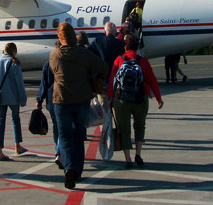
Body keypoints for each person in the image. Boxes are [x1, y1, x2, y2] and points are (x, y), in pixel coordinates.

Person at [49, 22, 108, 189]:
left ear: (60, 37)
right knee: (78, 135)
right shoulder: (83, 53)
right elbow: (103, 66)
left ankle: (68, 168)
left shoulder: (55, 55)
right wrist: (95, 78)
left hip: (61, 100)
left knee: (65, 136)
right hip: (81, 99)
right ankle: (78, 170)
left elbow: (53, 72)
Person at [109, 34, 163, 168]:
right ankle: (138, 154)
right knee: (140, 126)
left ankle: (127, 159)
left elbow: (112, 81)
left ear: (125, 47)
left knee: (124, 129)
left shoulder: (119, 60)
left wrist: (111, 97)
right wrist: (158, 98)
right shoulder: (143, 61)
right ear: (137, 47)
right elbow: (152, 80)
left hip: (122, 99)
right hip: (140, 97)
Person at [0, 42, 28, 161]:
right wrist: (23, 98)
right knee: (15, 120)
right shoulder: (15, 63)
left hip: (0, 97)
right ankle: (17, 145)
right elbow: (20, 83)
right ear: (14, 51)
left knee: (0, 122)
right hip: (13, 97)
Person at [36, 42, 61, 168]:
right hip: (65, 101)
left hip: (51, 101)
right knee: (66, 128)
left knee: (56, 128)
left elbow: (43, 84)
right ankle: (62, 153)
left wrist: (39, 100)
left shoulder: (48, 64)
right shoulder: (68, 62)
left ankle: (58, 152)